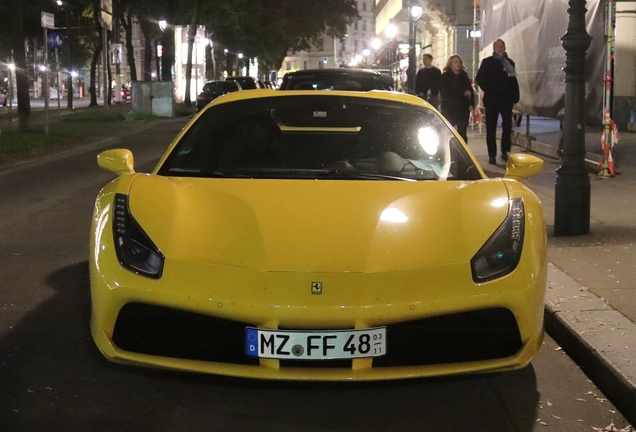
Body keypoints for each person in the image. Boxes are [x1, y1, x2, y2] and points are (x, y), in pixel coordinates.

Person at [476, 38, 520, 164]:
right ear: (494, 48)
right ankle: (492, 154)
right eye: (497, 46)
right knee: (491, 127)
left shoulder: (509, 62)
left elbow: (513, 80)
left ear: (505, 48)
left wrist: (514, 96)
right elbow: (479, 78)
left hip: (506, 100)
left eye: (502, 46)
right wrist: (488, 88)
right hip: (492, 99)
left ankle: (505, 151)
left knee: (507, 125)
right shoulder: (487, 62)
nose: (500, 48)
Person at [439, 54, 474, 144]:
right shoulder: (445, 77)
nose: (458, 64)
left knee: (462, 133)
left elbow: (470, 90)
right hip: (449, 108)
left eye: (459, 62)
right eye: (455, 62)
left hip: (463, 108)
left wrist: (471, 103)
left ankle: (462, 153)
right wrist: (463, 93)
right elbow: (446, 91)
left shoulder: (464, 76)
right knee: (448, 132)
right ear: (450, 64)